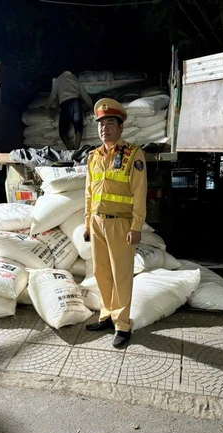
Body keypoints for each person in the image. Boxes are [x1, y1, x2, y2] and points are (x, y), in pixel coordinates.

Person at [83, 98, 148, 348]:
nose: (105, 129)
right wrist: (87, 224)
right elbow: (89, 193)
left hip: (120, 223)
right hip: (97, 222)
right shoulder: (93, 156)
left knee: (121, 275)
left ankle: (122, 324)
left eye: (110, 123)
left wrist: (136, 226)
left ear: (120, 127)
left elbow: (139, 192)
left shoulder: (133, 154)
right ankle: (107, 315)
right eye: (101, 124)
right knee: (101, 271)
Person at [45, 71, 93, 150]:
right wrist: (91, 106)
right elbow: (84, 93)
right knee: (78, 126)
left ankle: (69, 148)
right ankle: (77, 147)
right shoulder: (74, 78)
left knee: (62, 131)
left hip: (65, 104)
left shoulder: (58, 80)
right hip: (76, 102)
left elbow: (52, 96)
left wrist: (46, 107)